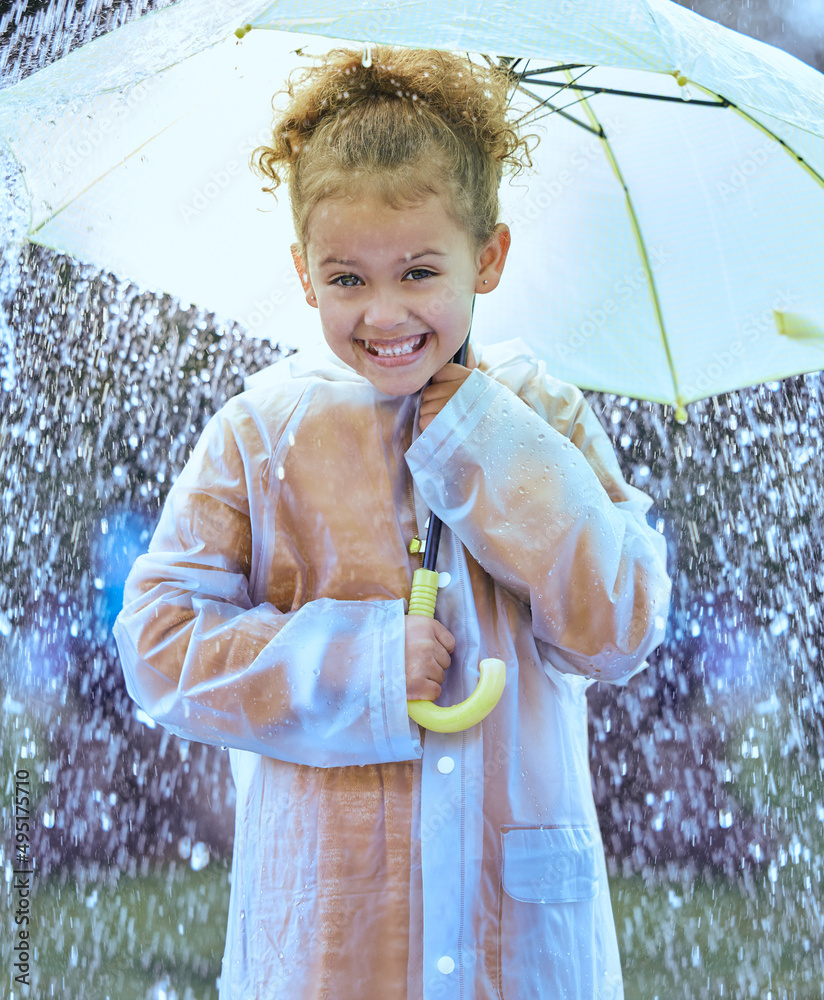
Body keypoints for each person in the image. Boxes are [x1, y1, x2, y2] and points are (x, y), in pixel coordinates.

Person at [113, 44, 671, 1000]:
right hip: (334, 926)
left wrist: (487, 443)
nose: (384, 315)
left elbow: (617, 627)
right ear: (301, 272)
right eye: (346, 280)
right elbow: (159, 646)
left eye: (419, 271)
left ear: (487, 257)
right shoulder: (263, 430)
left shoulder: (540, 411)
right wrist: (364, 664)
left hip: (518, 928)